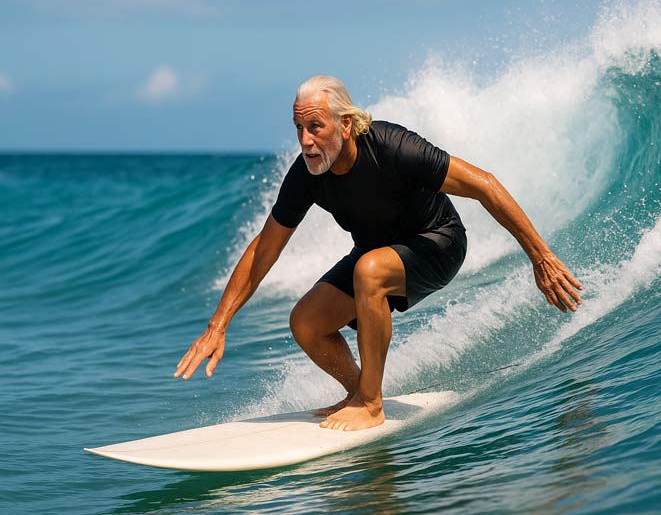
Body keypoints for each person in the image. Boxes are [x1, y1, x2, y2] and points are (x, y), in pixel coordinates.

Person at [174, 75, 583, 431]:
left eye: (315, 127)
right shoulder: (307, 174)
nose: (305, 141)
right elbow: (266, 245)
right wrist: (218, 324)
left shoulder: (392, 147)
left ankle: (371, 404)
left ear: (345, 124)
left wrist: (540, 257)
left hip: (438, 241)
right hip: (376, 252)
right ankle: (359, 391)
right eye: (299, 127)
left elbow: (485, 185)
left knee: (369, 270)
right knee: (306, 322)